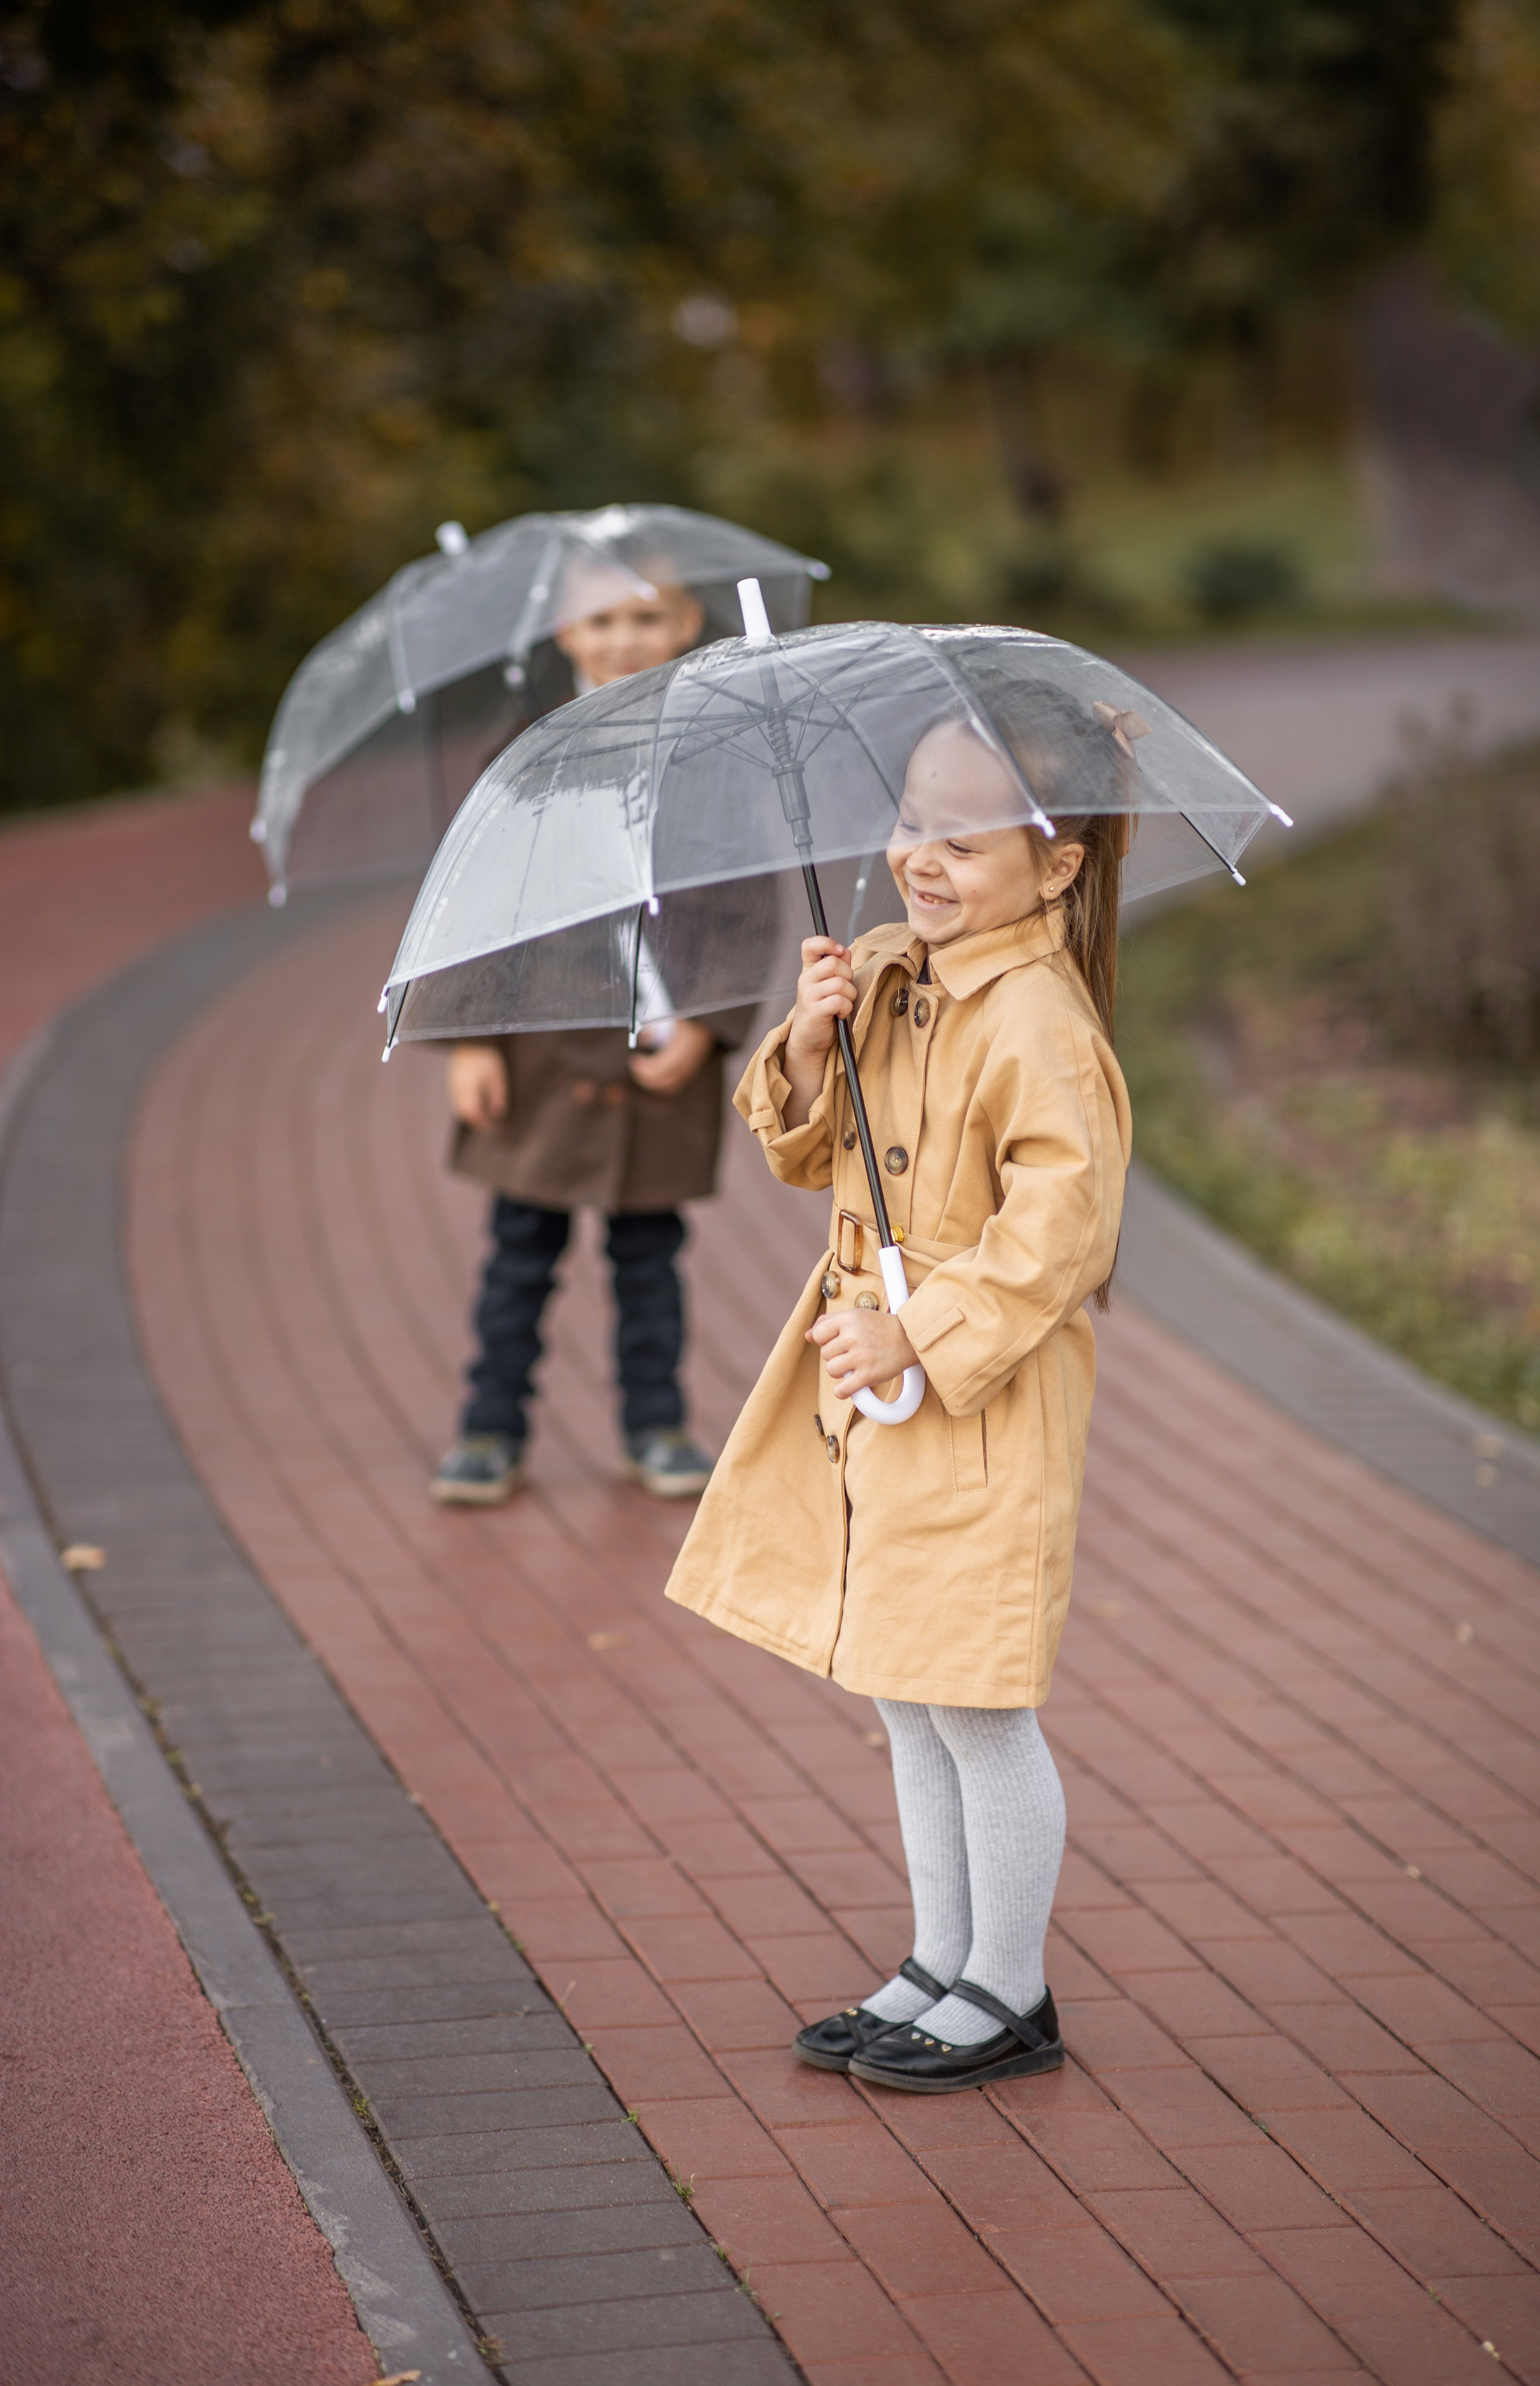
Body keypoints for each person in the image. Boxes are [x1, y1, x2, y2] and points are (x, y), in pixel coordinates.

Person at [665, 695, 1132, 2090]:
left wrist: (918, 1333)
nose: (920, 859)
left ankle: (1010, 1988)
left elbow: (1060, 1231)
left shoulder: (1037, 1021)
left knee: (976, 1696)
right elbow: (816, 1155)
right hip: (880, 1377)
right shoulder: (886, 970)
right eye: (909, 825)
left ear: (1055, 867)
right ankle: (940, 1955)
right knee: (906, 1687)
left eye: (963, 841)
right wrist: (811, 1046)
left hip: (973, 1396)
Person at [431, 564, 755, 1505]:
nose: (624, 637)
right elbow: (470, 902)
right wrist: (471, 1039)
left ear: (686, 621)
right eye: (601, 619)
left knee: (650, 1258)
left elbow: (748, 904)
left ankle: (655, 1423)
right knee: (519, 1256)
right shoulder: (527, 752)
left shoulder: (717, 753)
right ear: (567, 634)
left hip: (660, 1049)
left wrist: (709, 1024)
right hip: (541, 1049)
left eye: (647, 617)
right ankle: (490, 1428)